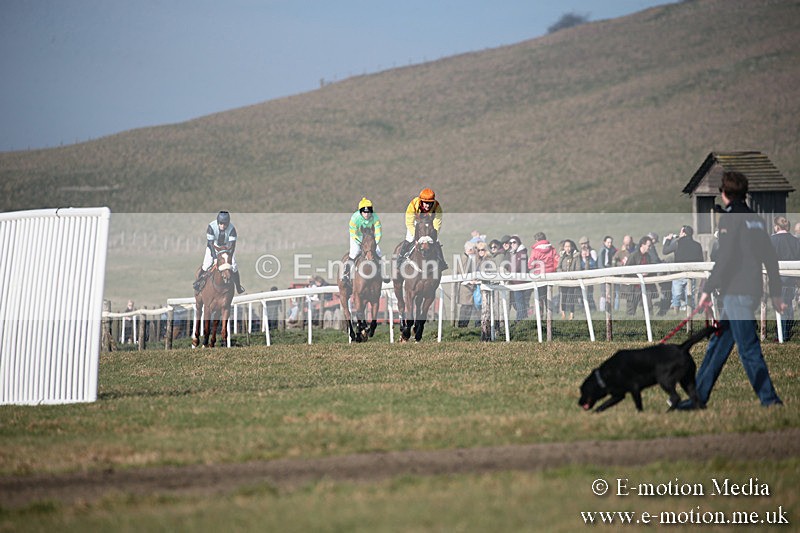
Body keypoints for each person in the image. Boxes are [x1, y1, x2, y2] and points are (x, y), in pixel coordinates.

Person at [678, 171, 784, 409]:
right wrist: (776, 292)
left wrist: (708, 288)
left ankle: (770, 400)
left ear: (724, 193)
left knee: (748, 348)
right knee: (717, 345)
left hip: (737, 292)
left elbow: (725, 258)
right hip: (751, 290)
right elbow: (770, 258)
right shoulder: (755, 219)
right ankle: (698, 398)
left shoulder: (729, 219)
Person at [194, 210, 245, 294]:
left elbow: (232, 246)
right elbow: (210, 243)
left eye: (225, 224)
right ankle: (198, 284)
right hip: (214, 247)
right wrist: (214, 258)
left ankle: (238, 287)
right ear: (218, 222)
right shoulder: (211, 227)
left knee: (234, 266)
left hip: (227, 248)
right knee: (206, 265)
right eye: (221, 223)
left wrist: (229, 259)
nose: (223, 226)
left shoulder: (232, 229)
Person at [398, 188, 448, 271]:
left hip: (429, 225)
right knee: (409, 238)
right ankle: (399, 260)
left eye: (430, 203)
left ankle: (442, 262)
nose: (428, 206)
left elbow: (437, 224)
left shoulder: (437, 207)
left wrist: (433, 235)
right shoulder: (413, 204)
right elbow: (409, 222)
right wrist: (417, 237)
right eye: (426, 203)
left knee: (436, 240)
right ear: (421, 201)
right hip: (415, 224)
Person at [662, 225, 704, 313]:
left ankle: (676, 314)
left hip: (678, 273)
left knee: (676, 296)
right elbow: (701, 260)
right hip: (691, 273)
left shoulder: (677, 243)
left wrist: (668, 240)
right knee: (690, 296)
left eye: (681, 232)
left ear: (684, 233)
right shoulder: (697, 245)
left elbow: (665, 251)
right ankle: (690, 314)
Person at [770, 216, 800, 340]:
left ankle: (782, 335)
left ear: (776, 226)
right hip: (792, 278)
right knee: (788, 305)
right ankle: (787, 330)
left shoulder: (772, 240)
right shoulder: (796, 240)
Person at [342, 197, 383, 286]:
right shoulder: (355, 218)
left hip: (370, 238)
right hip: (358, 236)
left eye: (368, 212)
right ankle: (346, 273)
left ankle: (381, 273)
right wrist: (360, 243)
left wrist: (375, 243)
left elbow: (379, 232)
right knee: (355, 252)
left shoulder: (375, 217)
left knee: (379, 252)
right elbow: (353, 233)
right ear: (360, 212)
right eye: (364, 212)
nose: (367, 214)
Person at [625, 236, 657, 316]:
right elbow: (627, 271)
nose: (649, 248)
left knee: (649, 308)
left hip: (646, 286)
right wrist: (638, 274)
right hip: (634, 287)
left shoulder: (648, 256)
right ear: (642, 245)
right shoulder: (633, 255)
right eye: (648, 246)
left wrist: (648, 273)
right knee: (631, 309)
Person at [508, 235, 529, 322]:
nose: (512, 244)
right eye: (511, 243)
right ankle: (522, 318)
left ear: (518, 243)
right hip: (516, 281)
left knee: (519, 302)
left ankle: (520, 320)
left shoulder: (521, 253)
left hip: (519, 282)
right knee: (519, 302)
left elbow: (515, 267)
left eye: (514, 242)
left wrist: (509, 271)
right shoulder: (516, 253)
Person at [558, 239, 580, 320]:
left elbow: (578, 268)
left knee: (571, 297)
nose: (568, 248)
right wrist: (562, 274)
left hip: (572, 280)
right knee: (563, 297)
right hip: (564, 280)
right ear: (564, 247)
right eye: (566, 246)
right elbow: (558, 267)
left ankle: (571, 313)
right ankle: (563, 313)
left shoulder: (576, 256)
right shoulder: (562, 256)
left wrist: (572, 275)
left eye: (569, 246)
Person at [598, 235, 617, 311]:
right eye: (608, 242)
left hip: (610, 270)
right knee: (603, 292)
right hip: (604, 271)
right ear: (604, 242)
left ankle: (612, 308)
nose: (609, 244)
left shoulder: (612, 250)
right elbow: (600, 263)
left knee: (611, 292)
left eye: (611, 242)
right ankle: (602, 309)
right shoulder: (602, 250)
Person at [578, 236, 597, 311]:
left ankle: (592, 309)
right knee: (582, 294)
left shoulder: (592, 252)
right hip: (581, 276)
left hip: (590, 276)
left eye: (585, 243)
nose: (583, 245)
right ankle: (584, 309)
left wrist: (588, 258)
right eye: (582, 244)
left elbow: (594, 264)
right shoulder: (579, 254)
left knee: (589, 294)